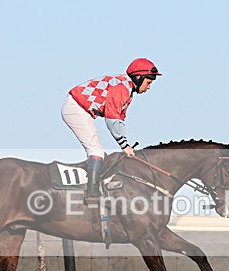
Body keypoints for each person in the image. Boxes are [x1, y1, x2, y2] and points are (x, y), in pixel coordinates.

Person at [61, 57, 161, 203]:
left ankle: (96, 187)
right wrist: (125, 145)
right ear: (139, 77)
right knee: (96, 152)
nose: (149, 87)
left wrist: (125, 144)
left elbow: (120, 120)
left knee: (100, 153)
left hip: (79, 108)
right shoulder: (122, 88)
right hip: (76, 107)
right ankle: (92, 194)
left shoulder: (127, 90)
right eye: (148, 82)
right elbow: (112, 119)